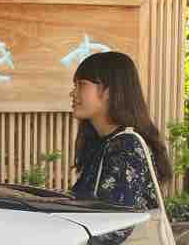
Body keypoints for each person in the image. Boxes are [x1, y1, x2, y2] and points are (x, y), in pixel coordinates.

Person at [70, 50, 172, 205]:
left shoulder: (126, 147)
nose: (73, 93)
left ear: (109, 91)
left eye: (82, 84)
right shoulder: (103, 143)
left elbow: (116, 217)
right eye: (75, 85)